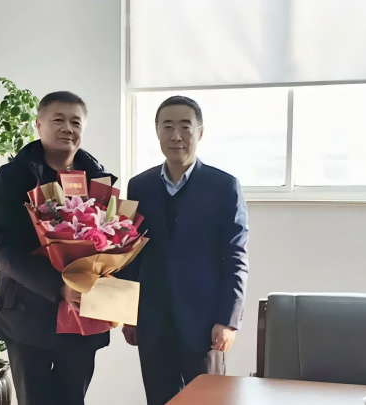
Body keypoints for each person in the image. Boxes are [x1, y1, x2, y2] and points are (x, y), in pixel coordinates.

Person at [0, 91, 116, 405]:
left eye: (76, 122)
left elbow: (112, 244)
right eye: (58, 120)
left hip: (82, 314)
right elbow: (3, 246)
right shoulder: (14, 176)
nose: (67, 128)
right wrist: (58, 286)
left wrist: (112, 293)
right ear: (39, 125)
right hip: (27, 313)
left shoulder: (98, 179)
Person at [120, 96, 249, 405]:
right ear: (157, 132)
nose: (176, 135)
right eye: (167, 126)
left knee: (206, 401)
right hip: (152, 322)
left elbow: (235, 257)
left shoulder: (224, 186)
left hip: (205, 325)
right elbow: (130, 254)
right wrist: (127, 315)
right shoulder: (139, 186)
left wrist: (228, 320)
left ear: (199, 133)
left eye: (185, 127)